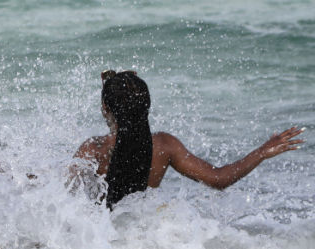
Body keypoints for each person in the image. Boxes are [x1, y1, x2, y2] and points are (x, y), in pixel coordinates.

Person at [70, 70, 305, 208]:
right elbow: (219, 179)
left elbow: (66, 193)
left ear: (105, 107)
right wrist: (262, 151)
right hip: (142, 238)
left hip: (102, 244)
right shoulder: (163, 146)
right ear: (146, 106)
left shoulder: (94, 149)